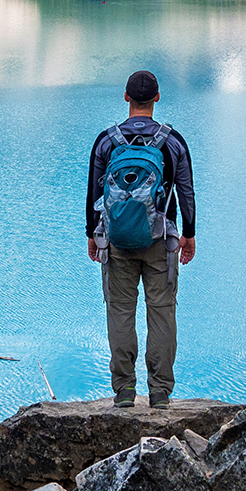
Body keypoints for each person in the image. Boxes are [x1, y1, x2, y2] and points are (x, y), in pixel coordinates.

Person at [86, 69, 196, 410]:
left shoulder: (107, 141)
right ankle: (160, 393)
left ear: (126, 97)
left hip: (117, 239)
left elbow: (93, 191)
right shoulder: (172, 141)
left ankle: (124, 392)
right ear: (157, 99)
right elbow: (186, 191)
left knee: (120, 312)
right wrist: (189, 234)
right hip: (161, 240)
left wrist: (92, 234)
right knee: (161, 313)